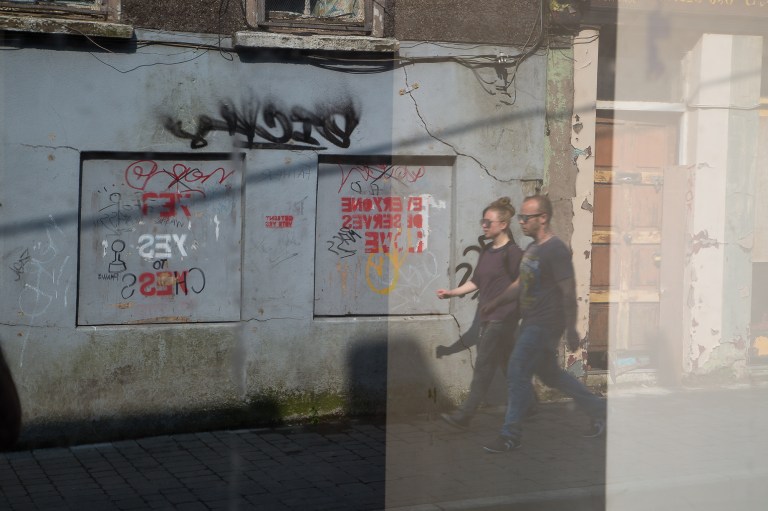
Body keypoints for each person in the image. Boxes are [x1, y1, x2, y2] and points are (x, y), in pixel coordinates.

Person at [481, 194, 606, 453]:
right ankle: (601, 410)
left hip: (545, 323)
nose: (522, 222)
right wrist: (495, 303)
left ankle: (510, 435)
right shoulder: (532, 249)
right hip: (531, 322)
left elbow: (568, 291)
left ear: (543, 218)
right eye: (521, 218)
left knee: (517, 370)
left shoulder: (556, 249)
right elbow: (520, 284)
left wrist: (572, 328)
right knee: (552, 376)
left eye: (526, 218)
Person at [435, 197, 524, 430]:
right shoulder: (487, 251)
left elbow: (524, 283)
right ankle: (531, 405)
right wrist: (451, 293)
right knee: (508, 364)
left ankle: (465, 415)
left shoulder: (513, 253)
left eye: (488, 222)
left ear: (503, 224)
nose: (484, 226)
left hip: (502, 318)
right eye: (482, 222)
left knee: (484, 367)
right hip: (491, 318)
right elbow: (476, 281)